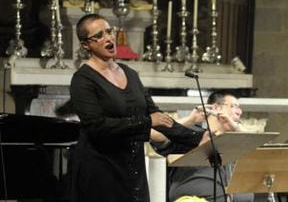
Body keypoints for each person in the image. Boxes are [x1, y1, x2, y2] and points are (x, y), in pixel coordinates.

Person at [69, 13, 206, 202]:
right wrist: (147, 122)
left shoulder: (130, 74)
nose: (108, 38)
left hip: (133, 171)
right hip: (101, 172)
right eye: (99, 36)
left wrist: (198, 138)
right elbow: (97, 126)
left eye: (109, 31)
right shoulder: (83, 80)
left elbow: (158, 117)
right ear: (86, 45)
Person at [152, 90, 253, 202]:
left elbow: (261, 147)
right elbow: (155, 134)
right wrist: (190, 120)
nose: (239, 112)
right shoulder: (191, 133)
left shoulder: (233, 143)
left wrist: (236, 127)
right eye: (234, 106)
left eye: (240, 108)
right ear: (216, 108)